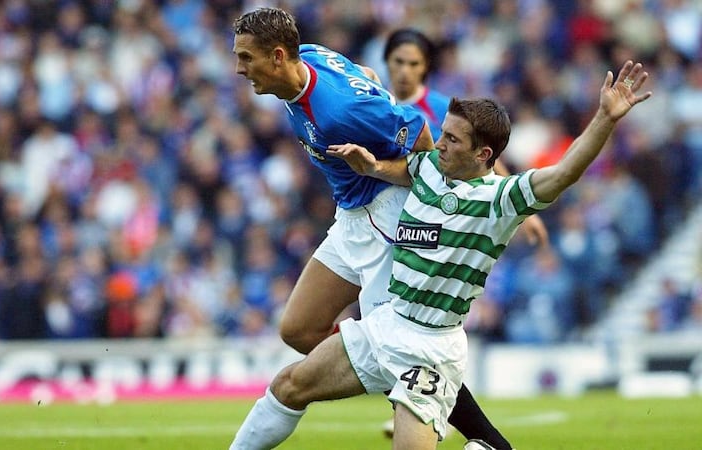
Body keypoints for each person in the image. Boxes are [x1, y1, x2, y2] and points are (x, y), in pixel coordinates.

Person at [229, 60, 651, 449]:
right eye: (443, 133)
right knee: (288, 386)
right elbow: (401, 166)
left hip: (430, 349)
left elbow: (563, 173)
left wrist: (604, 118)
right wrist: (370, 165)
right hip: (384, 328)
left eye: (451, 139)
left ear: (482, 154)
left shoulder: (500, 200)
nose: (438, 144)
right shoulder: (430, 168)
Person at [233, 9, 519, 449]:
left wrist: (433, 198)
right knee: (298, 329)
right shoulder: (309, 56)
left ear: (276, 57)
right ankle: (390, 379)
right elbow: (362, 73)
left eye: (246, 58)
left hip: (386, 217)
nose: (239, 68)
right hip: (351, 215)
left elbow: (420, 130)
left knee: (398, 345)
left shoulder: (341, 112)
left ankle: (491, 442)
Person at [381, 27, 551, 447]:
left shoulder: (438, 108)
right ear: (386, 63)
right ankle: (416, 398)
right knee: (314, 331)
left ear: (426, 69)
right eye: (398, 61)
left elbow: (482, 159)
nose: (404, 71)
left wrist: (521, 210)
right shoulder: (377, 102)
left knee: (404, 325)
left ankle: (416, 398)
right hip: (386, 223)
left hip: (423, 228)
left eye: (414, 63)